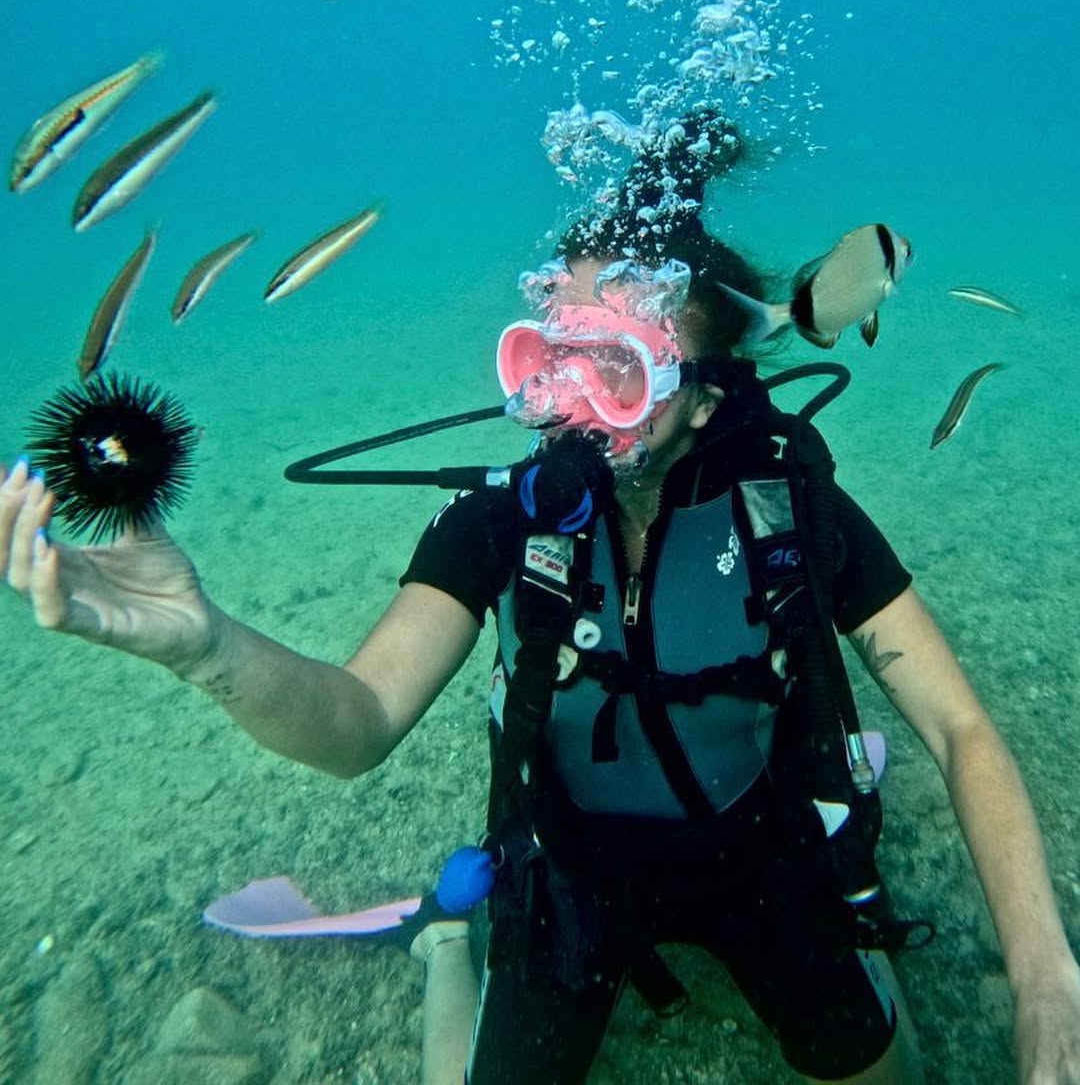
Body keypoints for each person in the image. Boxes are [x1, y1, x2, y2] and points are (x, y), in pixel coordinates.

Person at [3, 164, 1080, 1085]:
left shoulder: (789, 512)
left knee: (885, 1075)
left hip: (755, 843)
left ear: (705, 396)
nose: (572, 406)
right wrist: (205, 646)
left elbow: (961, 730)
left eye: (618, 370)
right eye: (552, 358)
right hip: (570, 863)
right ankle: (446, 944)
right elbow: (357, 722)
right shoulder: (500, 526)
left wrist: (1042, 975)